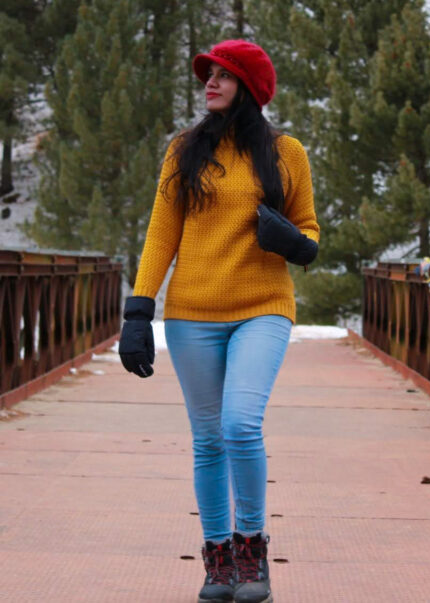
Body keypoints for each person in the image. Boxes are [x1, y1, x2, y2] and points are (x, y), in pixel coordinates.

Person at [118, 39, 319, 603]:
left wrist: (296, 244)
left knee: (239, 424)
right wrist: (140, 310)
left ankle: (252, 548)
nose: (209, 82)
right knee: (207, 440)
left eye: (224, 74)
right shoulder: (183, 150)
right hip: (192, 314)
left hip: (263, 306)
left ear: (249, 87)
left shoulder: (287, 153)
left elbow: (310, 230)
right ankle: (218, 562)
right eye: (207, 73)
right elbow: (162, 233)